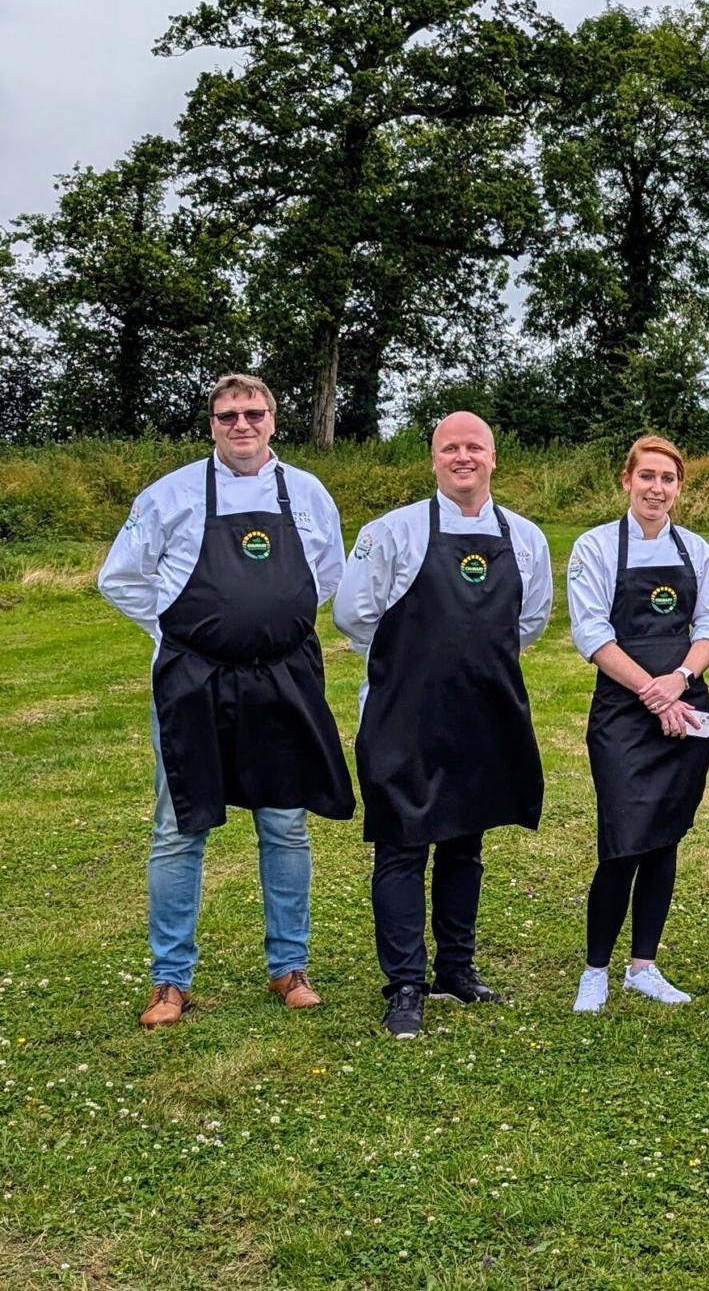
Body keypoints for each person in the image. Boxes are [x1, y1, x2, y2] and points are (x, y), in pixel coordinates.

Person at [98, 373, 355, 1028]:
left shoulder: (307, 492)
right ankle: (169, 980)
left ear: (273, 420)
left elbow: (326, 576)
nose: (241, 424)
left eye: (253, 413)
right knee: (179, 828)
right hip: (193, 682)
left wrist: (266, 622)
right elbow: (120, 577)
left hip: (282, 680)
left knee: (284, 825)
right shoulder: (172, 494)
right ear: (211, 424)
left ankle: (288, 967)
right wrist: (181, 629)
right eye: (227, 415)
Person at [333, 411, 552, 1039]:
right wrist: (414, 660)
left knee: (466, 841)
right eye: (450, 447)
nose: (464, 456)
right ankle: (405, 983)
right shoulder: (393, 531)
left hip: (484, 713)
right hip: (405, 713)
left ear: (493, 457)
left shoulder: (526, 537)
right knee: (402, 845)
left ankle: (458, 968)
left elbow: (529, 621)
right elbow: (354, 614)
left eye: (475, 446)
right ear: (433, 459)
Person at [565, 435, 709, 1013]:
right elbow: (591, 634)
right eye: (647, 477)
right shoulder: (596, 546)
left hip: (686, 703)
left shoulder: (697, 550)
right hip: (624, 713)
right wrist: (652, 694)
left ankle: (644, 967)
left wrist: (679, 681)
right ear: (627, 481)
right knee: (622, 841)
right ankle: (595, 971)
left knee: (665, 836)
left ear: (679, 488)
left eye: (668, 479)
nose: (657, 488)